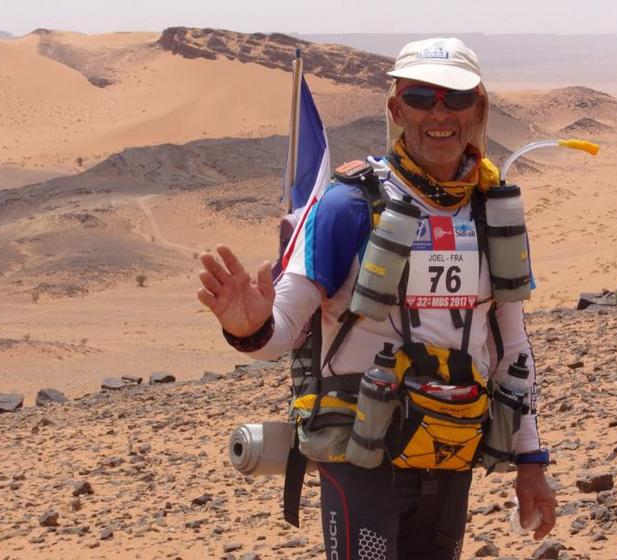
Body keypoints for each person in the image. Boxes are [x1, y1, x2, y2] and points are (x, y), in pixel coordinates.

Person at [198, 37, 556, 560]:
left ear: (479, 109)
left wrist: (531, 462)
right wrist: (247, 325)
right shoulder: (348, 204)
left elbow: (511, 348)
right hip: (361, 456)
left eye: (455, 98)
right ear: (395, 107)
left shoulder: (491, 213)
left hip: (450, 447)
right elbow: (278, 335)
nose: (439, 112)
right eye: (420, 95)